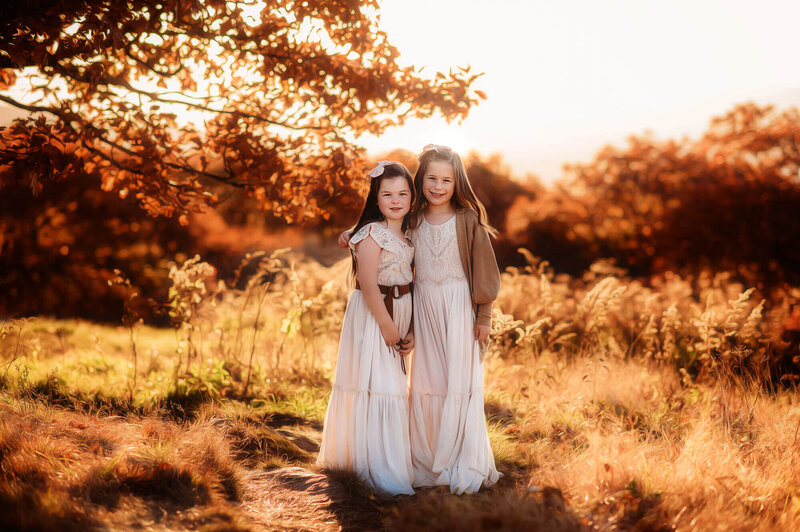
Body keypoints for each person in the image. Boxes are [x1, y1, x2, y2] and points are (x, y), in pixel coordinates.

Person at [338, 145, 501, 494]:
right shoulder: (413, 218)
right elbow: (383, 230)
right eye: (431, 178)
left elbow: (486, 271)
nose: (438, 186)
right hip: (422, 306)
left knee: (458, 380)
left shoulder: (468, 219)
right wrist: (350, 234)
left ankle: (458, 458)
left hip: (458, 306)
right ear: (420, 181)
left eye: (446, 180)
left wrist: (483, 314)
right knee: (426, 382)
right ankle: (424, 459)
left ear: (457, 183)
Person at [317, 160, 417, 496]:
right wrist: (388, 326)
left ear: (411, 196)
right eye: (387, 194)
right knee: (379, 387)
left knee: (391, 388)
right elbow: (367, 282)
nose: (395, 199)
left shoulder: (409, 233)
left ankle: (386, 463)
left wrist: (410, 328)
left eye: (402, 193)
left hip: (401, 311)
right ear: (376, 198)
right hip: (375, 314)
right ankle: (377, 472)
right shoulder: (372, 232)